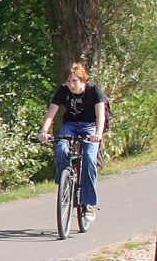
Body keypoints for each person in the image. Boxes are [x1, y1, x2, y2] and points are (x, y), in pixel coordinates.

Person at [41, 59, 108, 228]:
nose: (71, 85)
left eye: (74, 81)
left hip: (90, 126)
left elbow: (101, 115)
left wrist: (98, 135)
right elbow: (51, 113)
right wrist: (44, 131)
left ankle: (89, 204)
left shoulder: (94, 91)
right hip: (69, 126)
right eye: (68, 81)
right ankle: (64, 182)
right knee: (61, 148)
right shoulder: (63, 91)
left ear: (82, 79)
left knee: (89, 158)